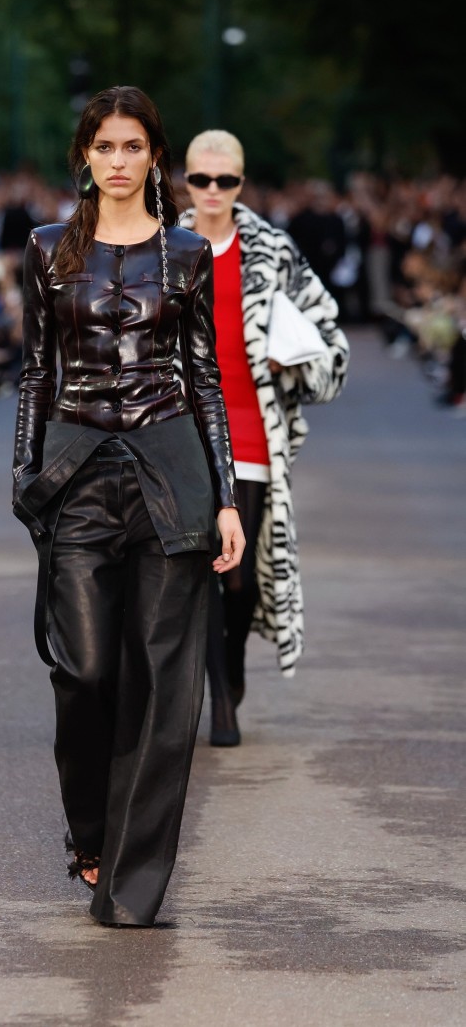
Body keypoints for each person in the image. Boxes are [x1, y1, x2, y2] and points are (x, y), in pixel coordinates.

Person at [12, 88, 244, 928]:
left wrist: (224, 498)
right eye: (104, 146)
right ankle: (89, 834)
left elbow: (206, 377)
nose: (117, 160)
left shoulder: (187, 254)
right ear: (85, 154)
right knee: (85, 672)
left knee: (161, 681)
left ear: (154, 157)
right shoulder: (45, 250)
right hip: (77, 475)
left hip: (170, 473)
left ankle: (133, 881)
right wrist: (22, 478)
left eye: (133, 146)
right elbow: (36, 370)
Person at [182, 130, 349, 746]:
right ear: (186, 180)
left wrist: (292, 362)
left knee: (239, 577)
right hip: (181, 428)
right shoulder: (162, 244)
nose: (214, 191)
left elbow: (331, 335)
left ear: (241, 182)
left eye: (226, 180)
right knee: (197, 570)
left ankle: (232, 670)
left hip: (251, 430)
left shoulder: (272, 249)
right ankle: (219, 698)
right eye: (202, 179)